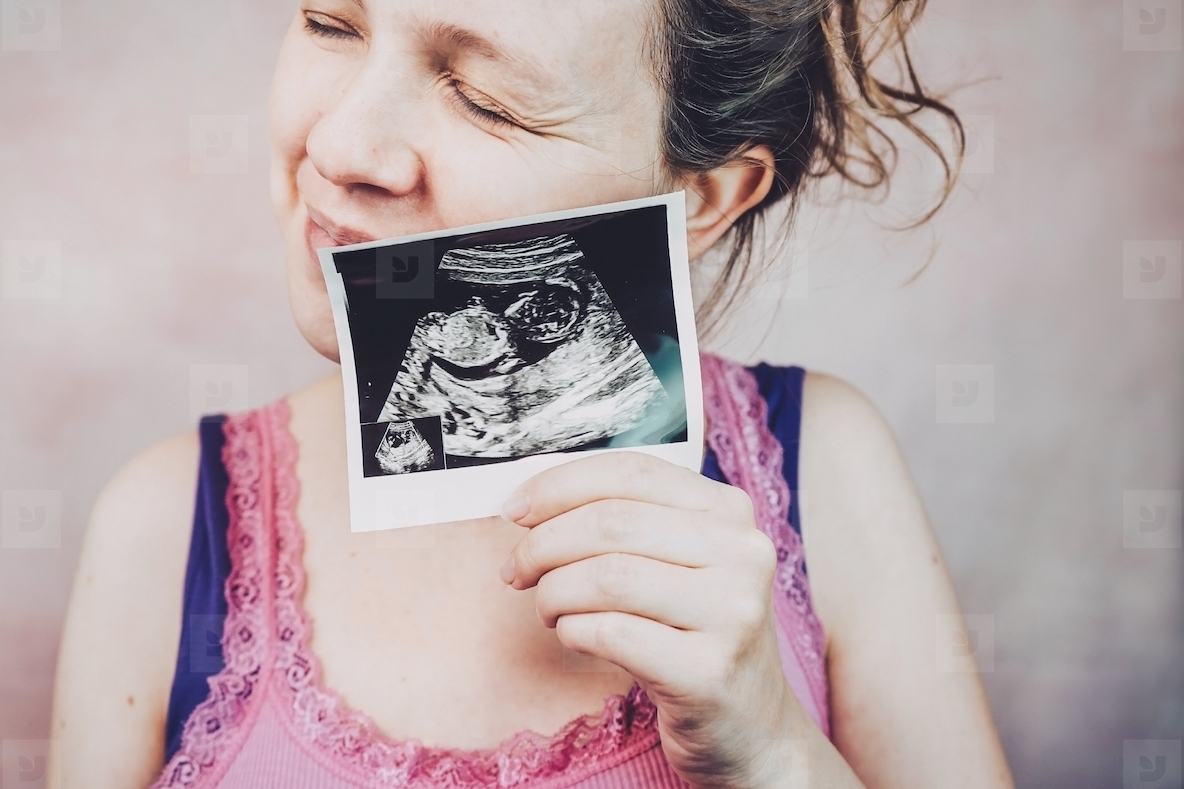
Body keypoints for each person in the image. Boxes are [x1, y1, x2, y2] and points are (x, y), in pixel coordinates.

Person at [47, 0, 1015, 786]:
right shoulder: (163, 527)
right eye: (328, 23)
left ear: (703, 198)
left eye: (486, 99)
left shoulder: (825, 472)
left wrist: (772, 753)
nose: (342, 148)